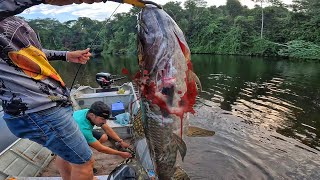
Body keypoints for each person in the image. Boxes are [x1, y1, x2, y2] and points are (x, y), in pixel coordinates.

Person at [0, 0, 149, 180]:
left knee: (65, 153)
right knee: (85, 161)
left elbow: (31, 52)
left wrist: (67, 55)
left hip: (50, 105)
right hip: (39, 109)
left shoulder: (10, 21)